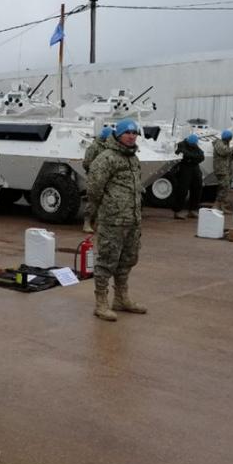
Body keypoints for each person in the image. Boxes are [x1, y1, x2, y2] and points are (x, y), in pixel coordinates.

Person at [86, 118, 146, 322]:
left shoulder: (133, 159)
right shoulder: (107, 158)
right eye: (127, 133)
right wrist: (103, 210)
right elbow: (94, 189)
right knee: (107, 261)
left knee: (127, 260)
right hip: (113, 220)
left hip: (132, 219)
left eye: (134, 133)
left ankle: (121, 298)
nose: (131, 136)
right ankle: (101, 302)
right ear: (118, 135)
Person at [82, 126, 113, 233]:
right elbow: (86, 163)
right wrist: (95, 171)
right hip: (95, 178)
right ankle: (87, 223)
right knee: (93, 200)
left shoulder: (110, 147)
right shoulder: (94, 147)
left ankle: (97, 224)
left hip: (107, 178)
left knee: (104, 201)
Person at [171, 133, 204, 219]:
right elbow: (183, 154)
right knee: (182, 189)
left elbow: (201, 156)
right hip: (184, 168)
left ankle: (193, 210)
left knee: (197, 187)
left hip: (194, 168)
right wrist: (192, 157)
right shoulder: (181, 144)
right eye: (192, 144)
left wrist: (190, 157)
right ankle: (177, 211)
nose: (194, 145)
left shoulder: (195, 146)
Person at [212, 129, 233, 213]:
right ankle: (216, 205)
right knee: (224, 187)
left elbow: (229, 157)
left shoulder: (225, 144)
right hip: (221, 169)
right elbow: (224, 152)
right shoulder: (219, 144)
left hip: (226, 169)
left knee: (225, 187)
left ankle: (221, 206)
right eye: (230, 138)